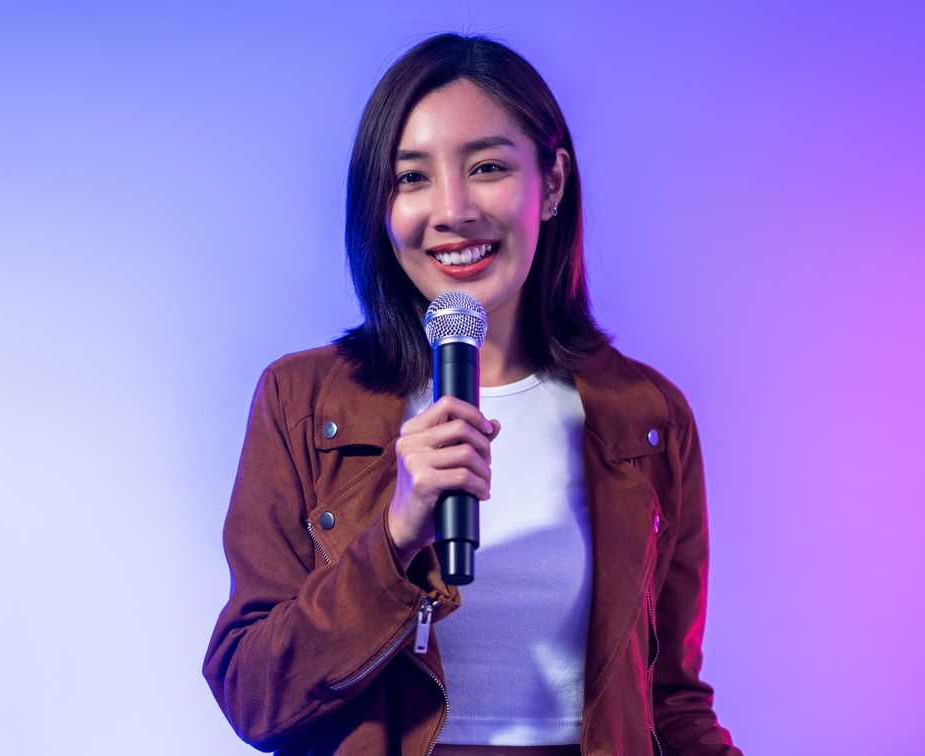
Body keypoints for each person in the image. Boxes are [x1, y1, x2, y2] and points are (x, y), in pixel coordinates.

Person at [203, 33, 743, 756]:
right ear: (379, 206)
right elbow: (252, 696)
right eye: (412, 178)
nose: (452, 210)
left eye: (487, 167)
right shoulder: (302, 401)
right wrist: (395, 535)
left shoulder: (645, 416)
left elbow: (672, 704)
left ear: (550, 184)